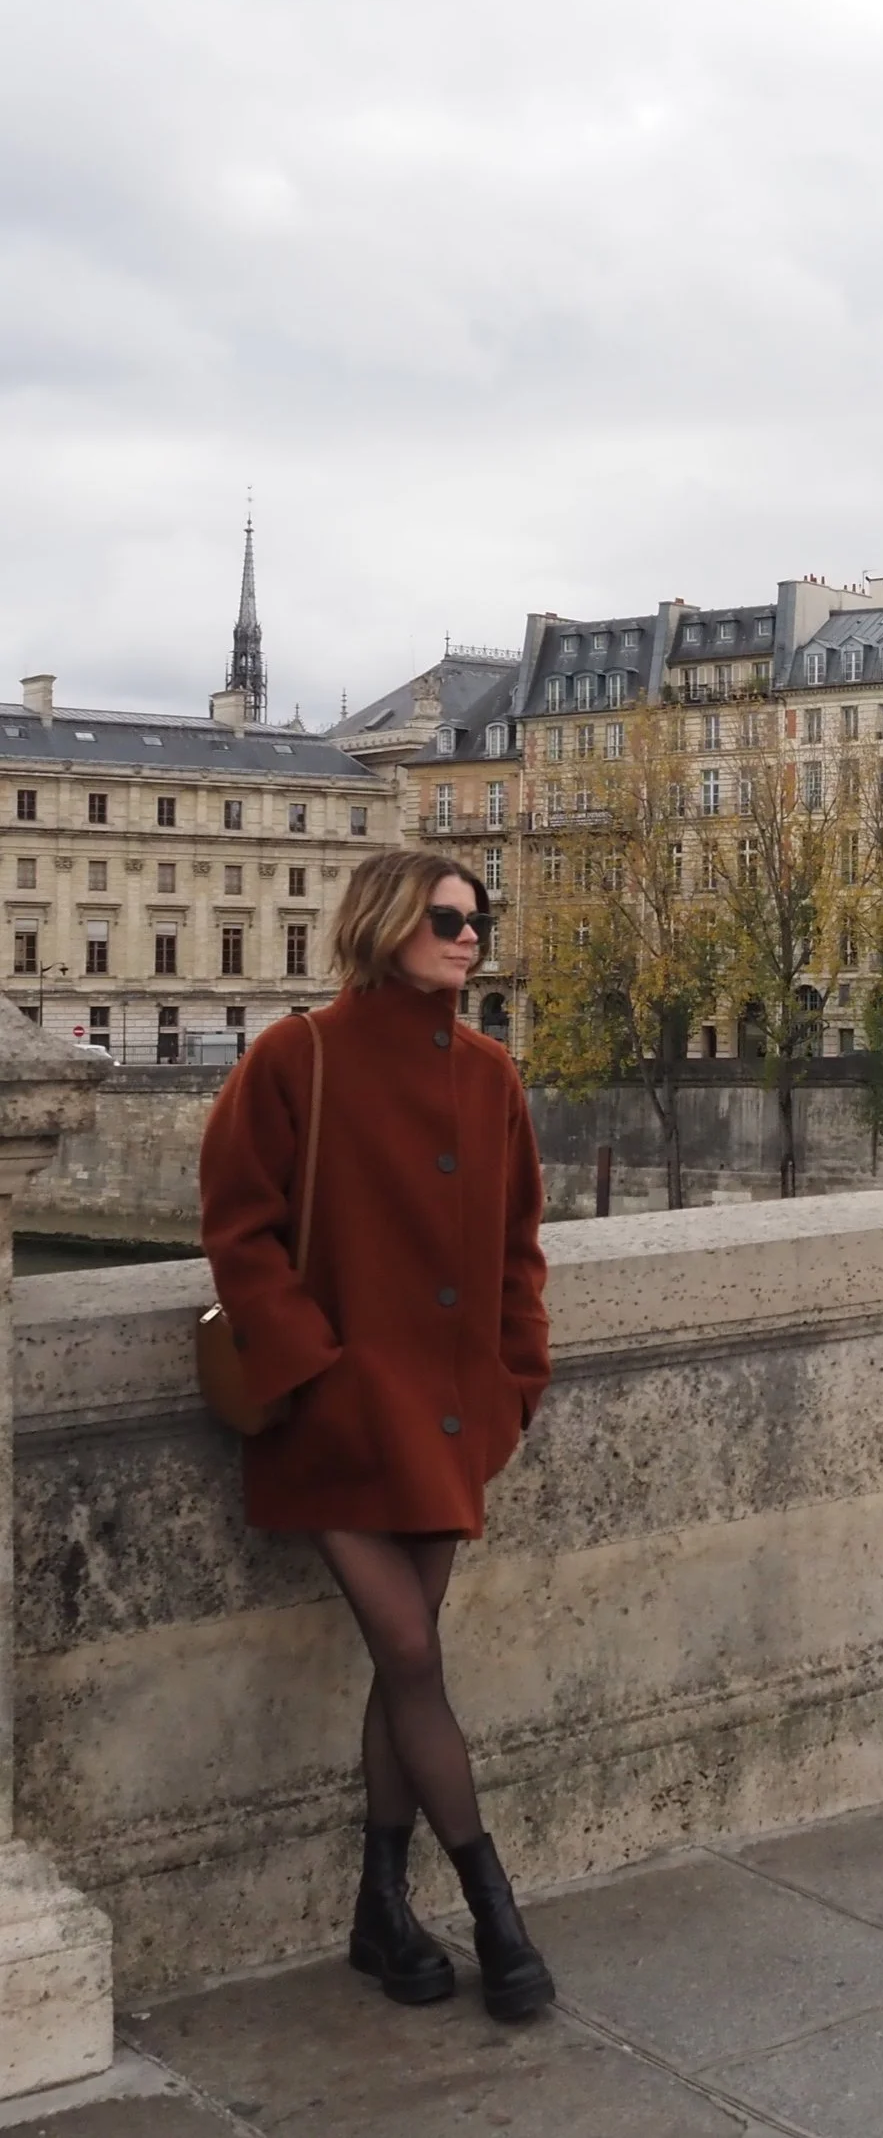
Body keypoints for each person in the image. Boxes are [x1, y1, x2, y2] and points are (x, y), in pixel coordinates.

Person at [199, 848, 554, 2021]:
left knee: (408, 1663)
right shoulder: (295, 1055)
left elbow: (519, 1251)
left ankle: (379, 1909)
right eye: (447, 917)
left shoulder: (492, 1075)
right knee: (409, 1651)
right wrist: (312, 1367)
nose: (469, 935)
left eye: (478, 917)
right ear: (387, 920)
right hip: (336, 1418)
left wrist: (515, 1382)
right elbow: (238, 1225)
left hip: (448, 1420)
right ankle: (495, 1910)